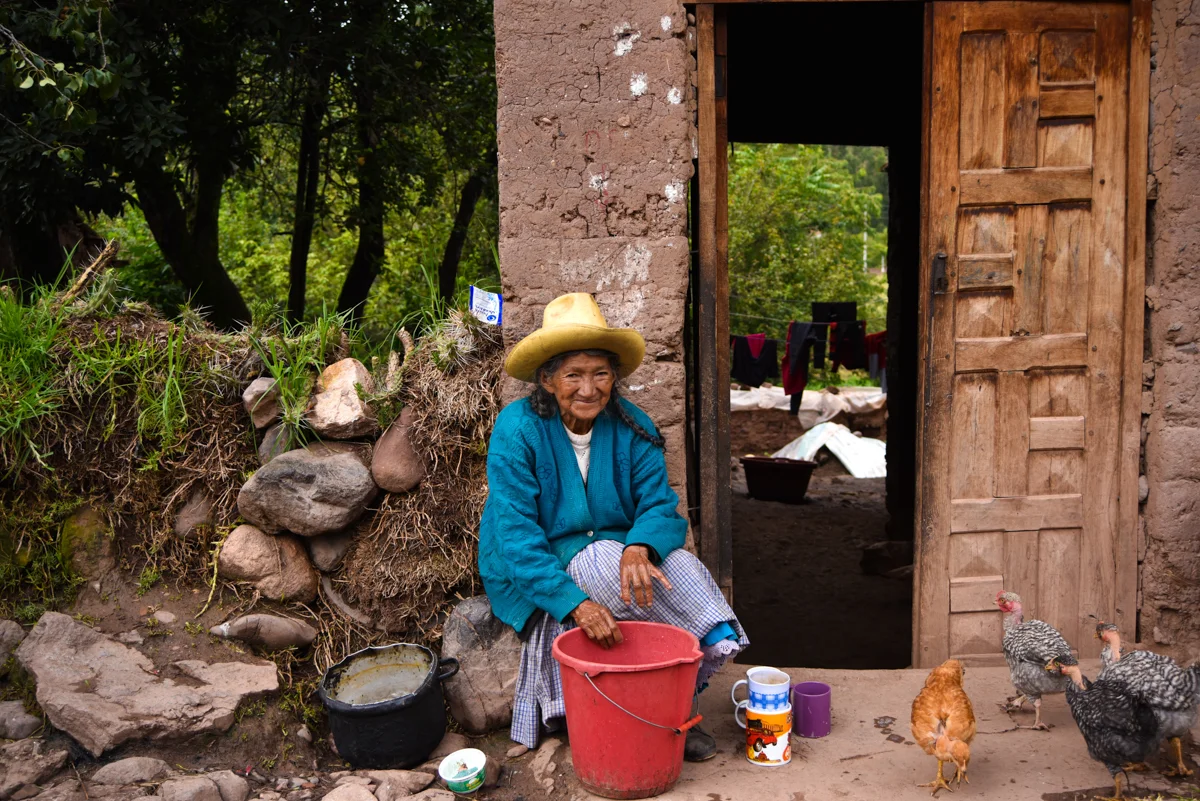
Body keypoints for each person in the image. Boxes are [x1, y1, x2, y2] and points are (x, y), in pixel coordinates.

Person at [478, 292, 748, 761]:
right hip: (541, 563)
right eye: (573, 375)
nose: (588, 388)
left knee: (678, 567)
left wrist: (640, 546)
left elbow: (661, 506)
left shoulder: (633, 426)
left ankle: (677, 706)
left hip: (617, 550)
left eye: (600, 373)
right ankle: (654, 711)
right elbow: (516, 538)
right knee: (607, 563)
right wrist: (575, 605)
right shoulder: (517, 429)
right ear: (546, 380)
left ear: (614, 377)